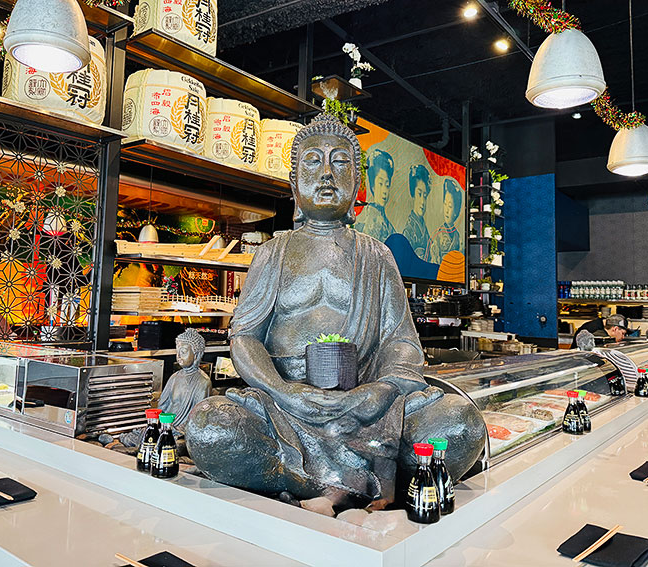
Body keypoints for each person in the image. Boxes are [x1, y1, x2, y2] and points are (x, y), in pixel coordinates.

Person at [185, 113, 485, 508]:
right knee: (210, 427)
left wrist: (381, 389)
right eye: (313, 161)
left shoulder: (377, 255)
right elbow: (243, 338)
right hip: (285, 409)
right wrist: (283, 390)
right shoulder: (272, 253)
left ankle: (309, 483)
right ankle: (349, 481)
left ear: (356, 184)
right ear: (294, 184)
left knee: (461, 422)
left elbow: (402, 342)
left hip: (366, 409)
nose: (326, 173)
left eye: (340, 162)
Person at [353, 149, 395, 243]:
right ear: (372, 186)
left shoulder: (385, 221)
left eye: (387, 185)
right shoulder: (372, 218)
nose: (384, 191)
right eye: (380, 184)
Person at [428, 177, 463, 264]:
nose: (446, 210)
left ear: (456, 211)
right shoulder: (438, 235)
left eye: (450, 206)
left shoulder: (458, 237)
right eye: (445, 204)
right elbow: (434, 261)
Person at [402, 164, 431, 260]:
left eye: (425, 195)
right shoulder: (409, 230)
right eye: (419, 194)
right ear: (413, 194)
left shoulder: (425, 230)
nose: (422, 201)